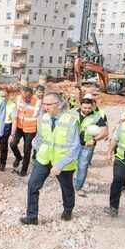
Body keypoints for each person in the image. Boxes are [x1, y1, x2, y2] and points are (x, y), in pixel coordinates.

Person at [19, 93, 81, 225]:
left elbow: (75, 147)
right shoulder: (44, 118)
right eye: (44, 104)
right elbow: (40, 137)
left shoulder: (71, 121)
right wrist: (35, 147)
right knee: (32, 185)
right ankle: (32, 216)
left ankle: (68, 209)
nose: (45, 107)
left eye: (48, 104)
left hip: (63, 162)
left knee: (66, 188)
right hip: (44, 159)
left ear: (58, 105)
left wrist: (60, 165)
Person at [72, 98, 108, 196]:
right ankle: (67, 184)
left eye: (89, 108)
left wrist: (95, 140)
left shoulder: (96, 117)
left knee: (82, 167)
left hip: (86, 147)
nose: (87, 110)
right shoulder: (72, 113)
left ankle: (78, 187)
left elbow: (105, 131)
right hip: (71, 145)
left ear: (92, 106)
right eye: (85, 108)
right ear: (80, 105)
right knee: (68, 165)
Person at [9, 85, 38, 176]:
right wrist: (12, 133)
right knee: (12, 144)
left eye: (28, 97)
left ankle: (24, 170)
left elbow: (40, 118)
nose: (25, 99)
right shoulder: (18, 99)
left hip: (31, 129)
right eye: (23, 97)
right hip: (19, 127)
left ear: (32, 95)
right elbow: (15, 115)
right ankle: (18, 157)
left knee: (27, 150)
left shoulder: (37, 102)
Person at [0, 87, 17, 171]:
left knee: (3, 146)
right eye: (1, 96)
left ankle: (2, 163)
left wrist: (12, 134)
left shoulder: (12, 105)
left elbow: (14, 120)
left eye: (4, 96)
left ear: (8, 95)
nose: (2, 98)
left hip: (6, 126)